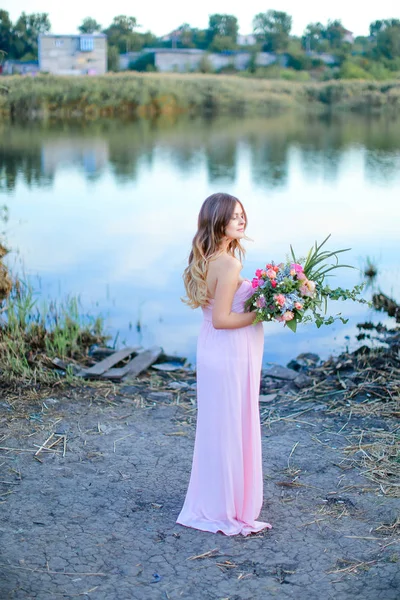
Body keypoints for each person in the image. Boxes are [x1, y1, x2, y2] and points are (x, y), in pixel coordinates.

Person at [176, 192, 272, 536]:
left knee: (221, 426)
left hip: (214, 351)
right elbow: (222, 319)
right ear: (218, 222)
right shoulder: (229, 264)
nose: (242, 220)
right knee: (231, 424)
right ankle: (226, 506)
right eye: (234, 217)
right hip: (228, 351)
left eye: (243, 214)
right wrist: (261, 313)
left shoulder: (213, 257)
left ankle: (219, 497)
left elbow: (211, 316)